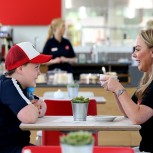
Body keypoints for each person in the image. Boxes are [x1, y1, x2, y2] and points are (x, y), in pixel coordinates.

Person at [100, 29, 153, 153]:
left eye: (138, 49)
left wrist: (118, 88)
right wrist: (114, 89)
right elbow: (128, 112)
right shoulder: (147, 83)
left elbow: (136, 117)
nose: (134, 54)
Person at [0, 42, 52, 153]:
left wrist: (34, 107)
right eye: (36, 67)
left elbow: (42, 106)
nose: (39, 73)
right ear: (20, 69)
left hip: (17, 146)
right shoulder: (9, 85)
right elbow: (29, 117)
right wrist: (33, 108)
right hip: (7, 148)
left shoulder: (22, 87)